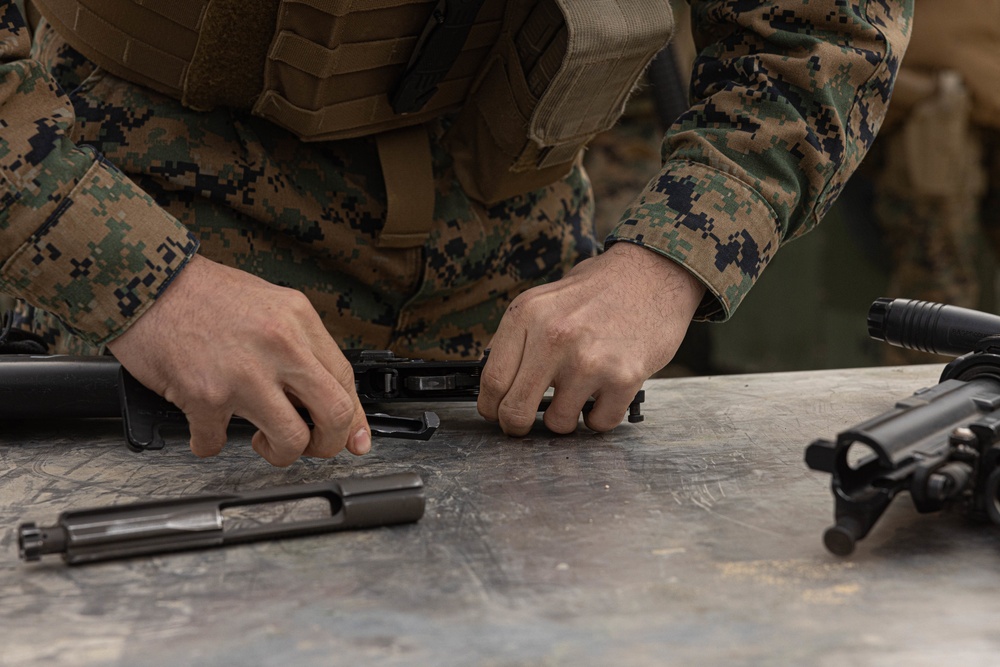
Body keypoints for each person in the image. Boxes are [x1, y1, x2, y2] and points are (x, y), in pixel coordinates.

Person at [0, 0, 913, 466]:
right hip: (122, 328)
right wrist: (137, 277)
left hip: (520, 336)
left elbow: (820, 28)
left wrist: (667, 260)